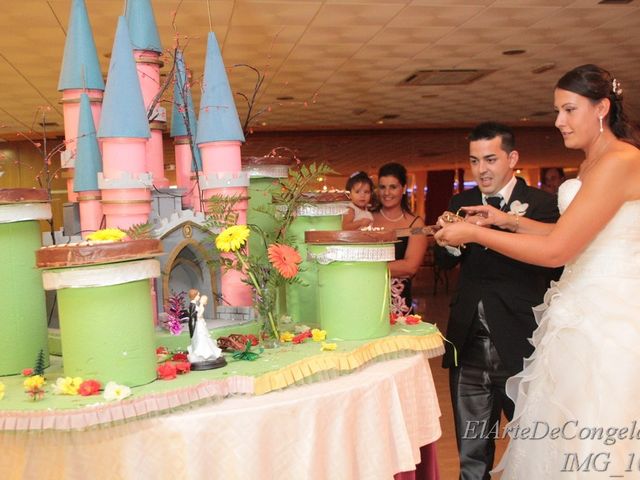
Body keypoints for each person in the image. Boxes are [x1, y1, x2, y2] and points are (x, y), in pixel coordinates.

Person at [435, 65, 640, 479]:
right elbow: (569, 232)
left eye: (568, 110)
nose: (558, 122)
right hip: (579, 309)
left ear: (601, 108)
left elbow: (556, 251)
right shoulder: (591, 162)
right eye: (556, 111)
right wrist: (502, 220)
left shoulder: (621, 160)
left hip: (610, 318)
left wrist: (476, 232)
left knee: (595, 435)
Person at [434, 122, 560, 479]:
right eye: (475, 161)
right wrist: (449, 242)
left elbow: (553, 263)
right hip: (468, 342)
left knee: (533, 449)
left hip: (521, 342)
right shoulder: (461, 202)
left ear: (512, 158)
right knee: (472, 457)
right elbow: (444, 262)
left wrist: (487, 232)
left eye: (490, 159)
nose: (482, 169)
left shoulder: (542, 205)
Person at [372, 162, 427, 316]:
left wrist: (366, 268)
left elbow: (410, 267)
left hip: (398, 304)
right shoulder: (367, 219)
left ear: (403, 189)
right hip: (367, 297)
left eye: (393, 187)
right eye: (382, 187)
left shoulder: (415, 224)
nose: (386, 192)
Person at [188, 294, 222, 363]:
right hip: (198, 323)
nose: (201, 299)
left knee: (202, 335)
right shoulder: (197, 305)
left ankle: (203, 351)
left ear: (205, 302)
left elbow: (199, 315)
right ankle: (198, 349)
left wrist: (195, 315)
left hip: (200, 322)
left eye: (204, 300)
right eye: (201, 298)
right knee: (198, 335)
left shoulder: (202, 307)